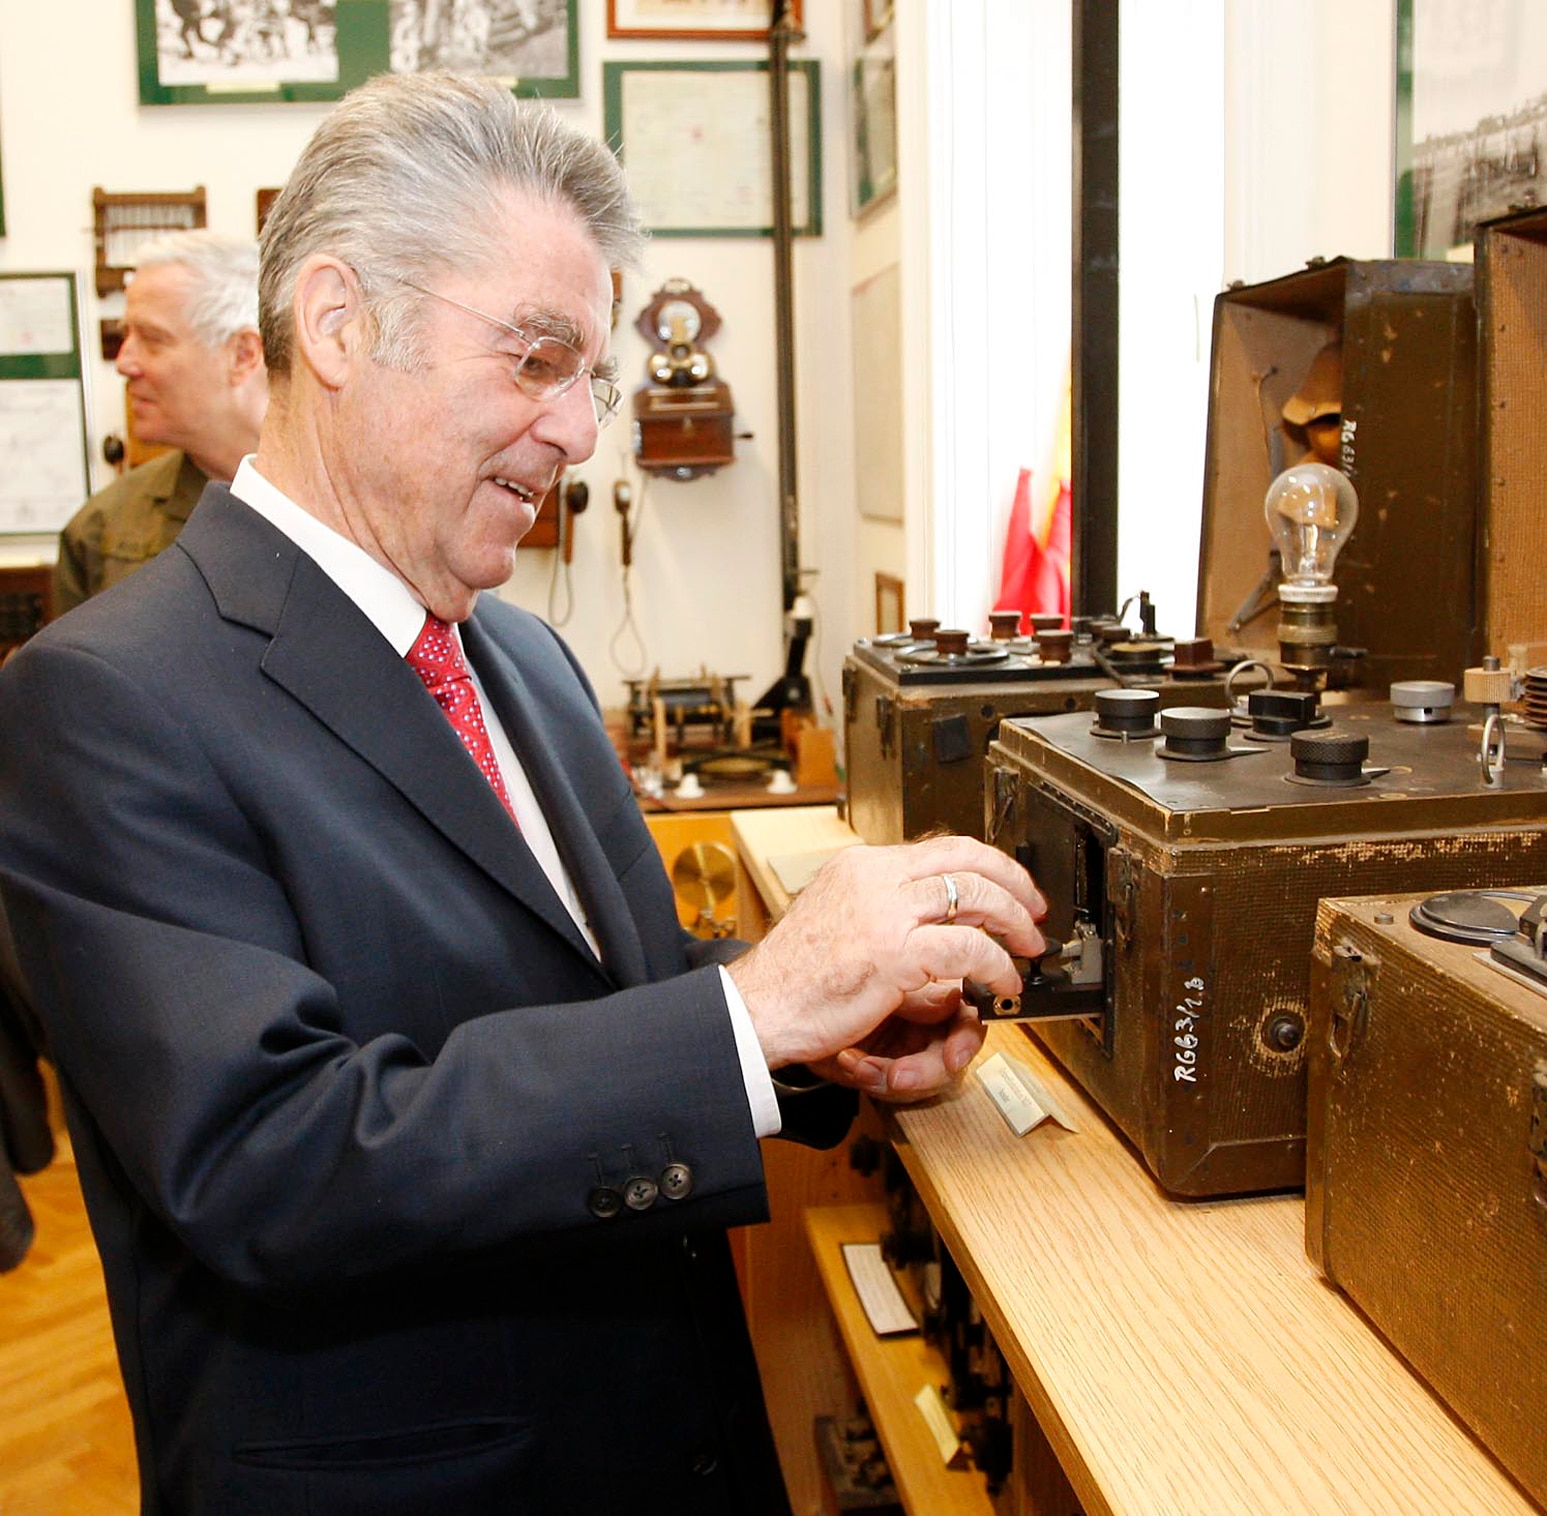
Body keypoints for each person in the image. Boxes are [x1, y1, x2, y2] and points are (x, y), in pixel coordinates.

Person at [0, 73, 1043, 1516]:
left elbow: (609, 1004)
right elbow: (274, 1160)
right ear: (340, 325)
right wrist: (751, 1015)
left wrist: (827, 1036)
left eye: (591, 378)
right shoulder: (104, 698)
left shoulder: (531, 662)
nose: (579, 434)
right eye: (537, 361)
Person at [51, 229, 268, 615]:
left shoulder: (357, 502)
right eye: (125, 335)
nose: (125, 363)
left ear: (242, 355)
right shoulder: (101, 532)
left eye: (152, 339)